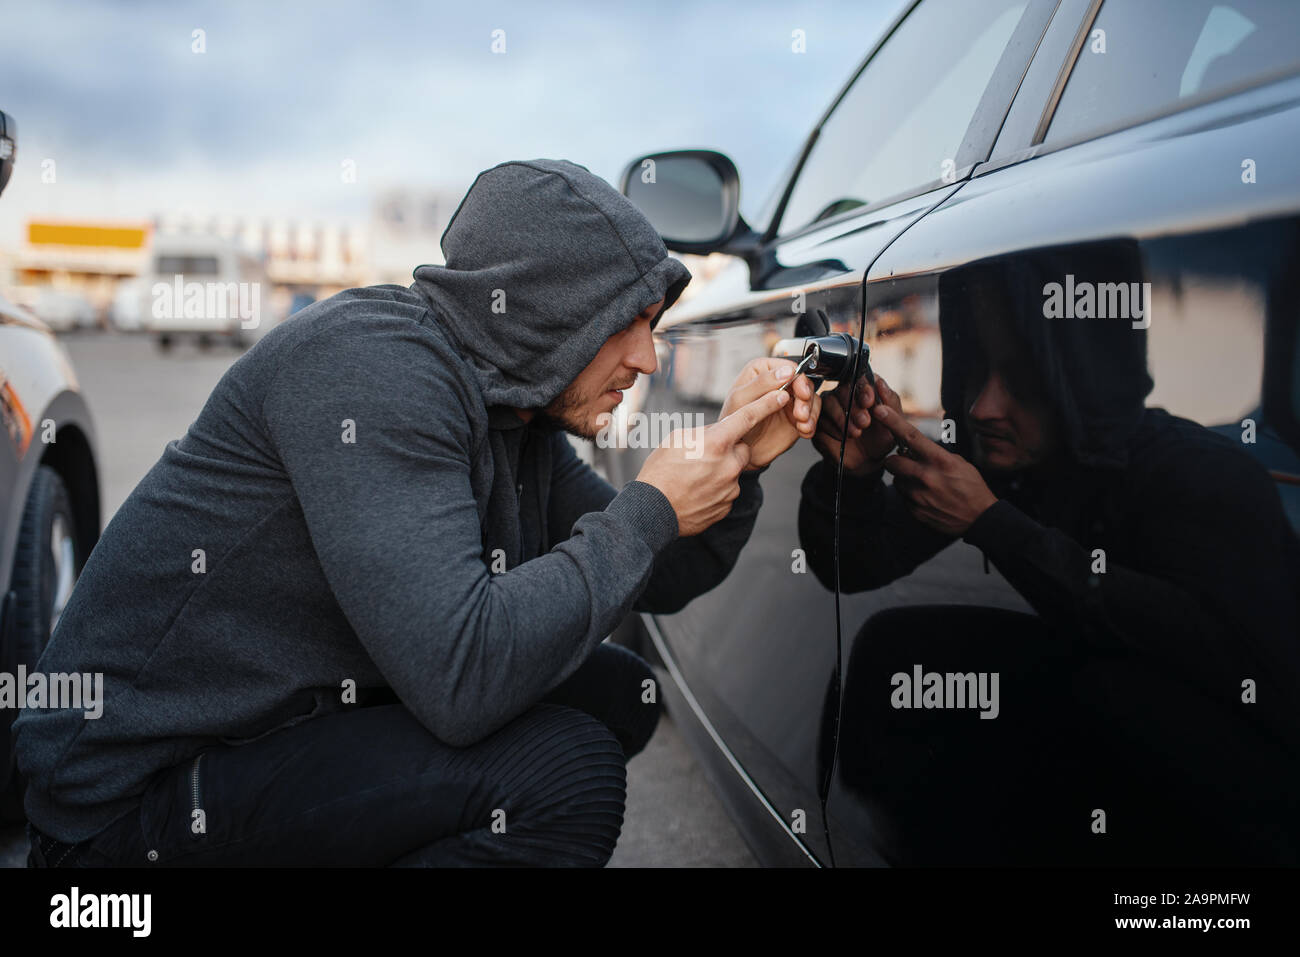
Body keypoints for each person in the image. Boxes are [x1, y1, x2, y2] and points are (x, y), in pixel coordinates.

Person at [16, 158, 819, 867]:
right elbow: (462, 676)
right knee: (562, 772)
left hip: (275, 726)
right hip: (127, 801)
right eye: (627, 323)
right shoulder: (372, 372)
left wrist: (739, 457)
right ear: (546, 309)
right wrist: (645, 511)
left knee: (615, 690)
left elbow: (655, 569)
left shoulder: (517, 409)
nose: (646, 358)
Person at [800, 246, 1300, 865]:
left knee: (1109, 698)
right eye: (977, 368)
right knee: (896, 659)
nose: (984, 407)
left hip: (1262, 777)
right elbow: (856, 566)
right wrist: (851, 474)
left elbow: (1237, 666)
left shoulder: (1201, 478)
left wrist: (993, 524)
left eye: (1026, 380)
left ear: (1082, 376)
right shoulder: (1003, 455)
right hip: (1108, 701)